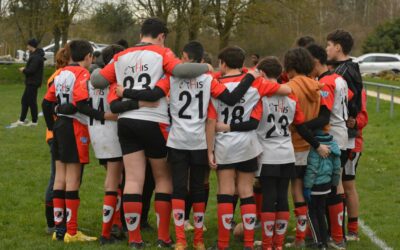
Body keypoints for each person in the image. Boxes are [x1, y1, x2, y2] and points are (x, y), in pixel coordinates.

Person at [114, 41, 256, 250]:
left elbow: (153, 95)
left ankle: (181, 240)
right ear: (201, 60)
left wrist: (125, 91)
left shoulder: (171, 77)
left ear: (184, 58)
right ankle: (197, 240)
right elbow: (231, 98)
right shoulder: (209, 78)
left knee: (179, 189)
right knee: (198, 190)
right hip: (199, 142)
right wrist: (250, 76)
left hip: (177, 141)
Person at [97, 18, 212, 249]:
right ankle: (163, 237)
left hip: (126, 121)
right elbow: (180, 70)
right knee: (163, 178)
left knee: (133, 179)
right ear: (161, 36)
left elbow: (98, 79)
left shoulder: (121, 55)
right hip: (153, 121)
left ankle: (135, 240)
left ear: (141, 33)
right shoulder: (161, 52)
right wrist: (206, 67)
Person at [206, 46, 292, 250]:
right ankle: (248, 244)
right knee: (246, 191)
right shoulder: (257, 83)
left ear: (223, 63)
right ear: (242, 63)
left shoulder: (214, 85)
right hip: (248, 143)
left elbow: (210, 121)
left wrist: (209, 150)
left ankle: (223, 244)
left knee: (225, 191)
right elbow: (286, 89)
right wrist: (252, 76)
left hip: (224, 143)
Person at [42, 39, 115, 243]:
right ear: (88, 57)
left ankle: (59, 230)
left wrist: (51, 125)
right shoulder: (82, 73)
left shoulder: (61, 73)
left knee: (60, 178)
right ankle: (72, 232)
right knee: (73, 180)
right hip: (74, 129)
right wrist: (103, 116)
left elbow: (46, 103)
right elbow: (81, 105)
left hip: (59, 128)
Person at [255, 57, 329, 250]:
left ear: (261, 74)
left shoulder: (260, 95)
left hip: (268, 153)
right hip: (287, 153)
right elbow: (300, 126)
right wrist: (317, 144)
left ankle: (267, 245)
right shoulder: (291, 96)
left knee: (269, 198)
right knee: (282, 197)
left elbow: (254, 123)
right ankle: (278, 244)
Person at [283, 47, 324, 248]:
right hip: (312, 144)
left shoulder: (290, 87)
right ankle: (310, 231)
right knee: (310, 189)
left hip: (294, 144)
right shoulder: (317, 86)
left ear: (289, 66)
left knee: (295, 190)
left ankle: (300, 237)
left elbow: (291, 119)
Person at [326, 29, 363, 248]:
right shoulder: (349, 68)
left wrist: (351, 117)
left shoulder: (344, 71)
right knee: (337, 182)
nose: (327, 49)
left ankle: (339, 234)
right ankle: (337, 232)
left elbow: (352, 100)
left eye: (329, 45)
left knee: (338, 183)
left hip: (342, 136)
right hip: (345, 133)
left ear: (338, 47)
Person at [43, 46, 70, 235]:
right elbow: (48, 104)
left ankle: (60, 220)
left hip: (58, 133)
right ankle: (52, 221)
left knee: (62, 178)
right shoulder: (60, 76)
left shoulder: (61, 74)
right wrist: (53, 128)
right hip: (57, 133)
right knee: (56, 177)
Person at [303, 132, 341, 250]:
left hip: (315, 186)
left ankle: (317, 242)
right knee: (321, 213)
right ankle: (324, 241)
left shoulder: (316, 149)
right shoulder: (333, 147)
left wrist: (307, 187)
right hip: (326, 186)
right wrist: (334, 184)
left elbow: (312, 169)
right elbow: (336, 168)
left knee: (311, 213)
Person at [344, 89, 368, 242]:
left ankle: (352, 231)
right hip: (339, 144)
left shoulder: (358, 90)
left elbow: (363, 117)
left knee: (348, 186)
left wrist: (355, 122)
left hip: (352, 146)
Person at [11, 38, 45, 127]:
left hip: (33, 82)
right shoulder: (35, 55)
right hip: (31, 82)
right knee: (25, 100)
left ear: (30, 46)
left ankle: (34, 121)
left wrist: (23, 70)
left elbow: (31, 70)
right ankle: (22, 120)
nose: (27, 46)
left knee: (31, 101)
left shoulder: (36, 57)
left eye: (28, 45)